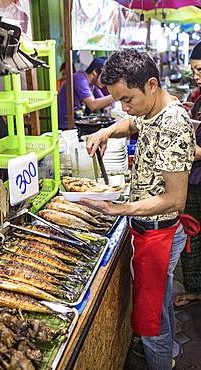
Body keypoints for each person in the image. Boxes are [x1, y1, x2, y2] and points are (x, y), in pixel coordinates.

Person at [80, 49, 198, 370]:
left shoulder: (173, 124)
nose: (123, 107)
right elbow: (131, 123)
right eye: (118, 99)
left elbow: (175, 200)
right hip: (149, 231)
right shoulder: (150, 111)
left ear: (151, 84)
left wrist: (119, 208)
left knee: (151, 324)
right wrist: (105, 131)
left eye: (127, 98)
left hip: (159, 235)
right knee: (159, 308)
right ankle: (169, 356)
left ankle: (161, 361)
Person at [173, 41, 201, 308]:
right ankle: (196, 289)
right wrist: (188, 113)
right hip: (194, 180)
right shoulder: (200, 95)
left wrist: (180, 149)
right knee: (193, 237)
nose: (196, 76)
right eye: (194, 71)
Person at [57, 56, 115, 130]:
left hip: (76, 122)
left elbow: (103, 102)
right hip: (66, 125)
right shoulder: (80, 78)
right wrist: (116, 95)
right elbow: (93, 105)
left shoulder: (92, 83)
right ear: (95, 72)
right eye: (104, 77)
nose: (106, 81)